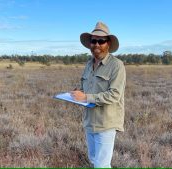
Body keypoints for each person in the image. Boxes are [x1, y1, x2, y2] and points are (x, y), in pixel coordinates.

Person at [71, 21, 126, 168]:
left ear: (108, 43)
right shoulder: (89, 64)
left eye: (101, 41)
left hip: (106, 123)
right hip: (89, 121)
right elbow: (86, 88)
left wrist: (86, 97)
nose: (97, 44)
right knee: (94, 160)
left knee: (101, 165)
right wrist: (79, 93)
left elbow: (114, 95)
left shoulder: (116, 65)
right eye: (94, 41)